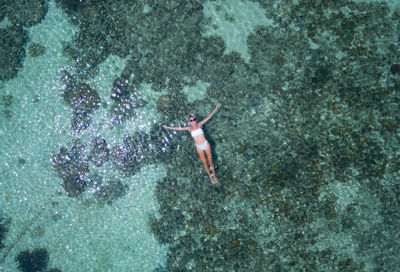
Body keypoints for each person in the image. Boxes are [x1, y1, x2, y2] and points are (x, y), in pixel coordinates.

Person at [162, 104, 221, 184]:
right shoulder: (189, 128)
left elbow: (209, 117)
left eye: (194, 119)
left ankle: (214, 175)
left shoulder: (200, 125)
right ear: (189, 122)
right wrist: (167, 127)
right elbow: (178, 128)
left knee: (210, 161)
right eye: (191, 120)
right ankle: (210, 177)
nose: (193, 121)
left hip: (206, 144)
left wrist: (216, 108)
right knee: (204, 162)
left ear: (196, 120)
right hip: (199, 147)